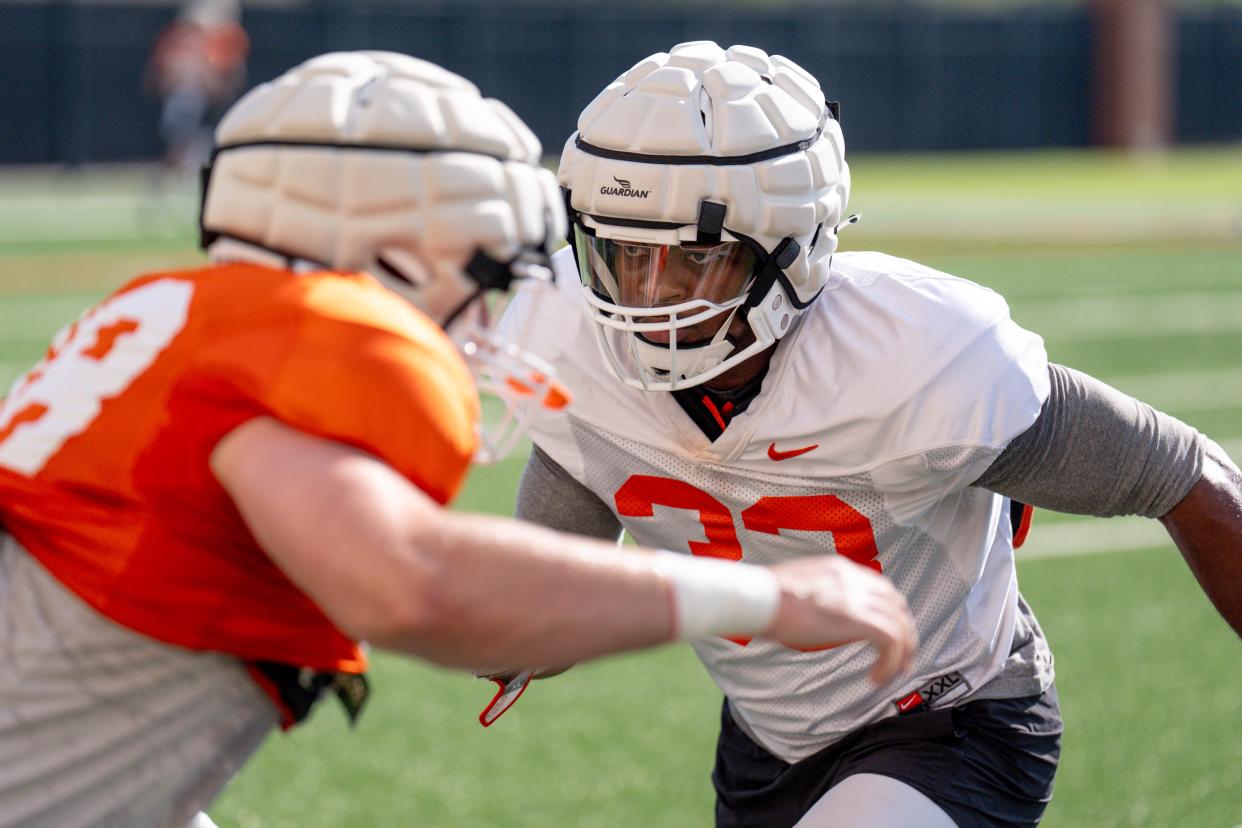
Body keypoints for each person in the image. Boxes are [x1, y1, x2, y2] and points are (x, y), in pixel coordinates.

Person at [0, 51, 917, 828]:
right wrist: (758, 597)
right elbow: (411, 583)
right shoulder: (298, 348)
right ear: (391, 255)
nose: (489, 317)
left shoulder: (174, 322)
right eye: (483, 272)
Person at [499, 41, 1242, 828]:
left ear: (795, 249)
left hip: (951, 716)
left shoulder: (913, 358)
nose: (646, 301)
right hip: (764, 741)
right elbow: (548, 596)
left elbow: (1181, 473)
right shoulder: (563, 335)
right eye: (618, 254)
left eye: (694, 260)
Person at [147, 0, 250, 174]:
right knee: (183, 129)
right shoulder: (180, 40)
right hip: (190, 101)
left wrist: (211, 80)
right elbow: (163, 74)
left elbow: (230, 78)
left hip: (216, 104)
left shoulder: (228, 40)